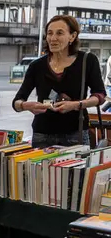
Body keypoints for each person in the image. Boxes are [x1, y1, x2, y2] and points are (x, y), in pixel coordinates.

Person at [13, 15, 106, 147]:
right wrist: (26, 106)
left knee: (77, 168)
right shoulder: (37, 66)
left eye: (59, 33)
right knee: (42, 168)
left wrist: (75, 105)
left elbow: (100, 96)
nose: (53, 38)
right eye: (50, 33)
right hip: (42, 134)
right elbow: (17, 101)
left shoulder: (87, 61)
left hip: (75, 133)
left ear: (72, 37)